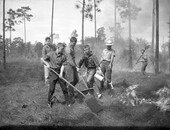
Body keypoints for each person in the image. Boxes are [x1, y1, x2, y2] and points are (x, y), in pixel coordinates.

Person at [43, 42, 69, 107]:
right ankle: (49, 102)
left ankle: (68, 102)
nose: (63, 50)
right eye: (62, 49)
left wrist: (61, 73)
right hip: (52, 72)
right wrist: (47, 64)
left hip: (60, 71)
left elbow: (63, 65)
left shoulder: (63, 56)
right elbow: (43, 59)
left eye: (63, 49)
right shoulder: (51, 54)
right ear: (58, 48)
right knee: (52, 89)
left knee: (64, 88)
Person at [60, 37, 79, 106]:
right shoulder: (68, 49)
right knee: (71, 81)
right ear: (71, 42)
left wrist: (76, 65)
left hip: (73, 65)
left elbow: (73, 59)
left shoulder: (72, 48)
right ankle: (71, 98)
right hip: (68, 66)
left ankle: (70, 89)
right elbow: (70, 60)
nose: (74, 44)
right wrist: (75, 66)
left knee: (76, 79)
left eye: (75, 43)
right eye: (74, 43)